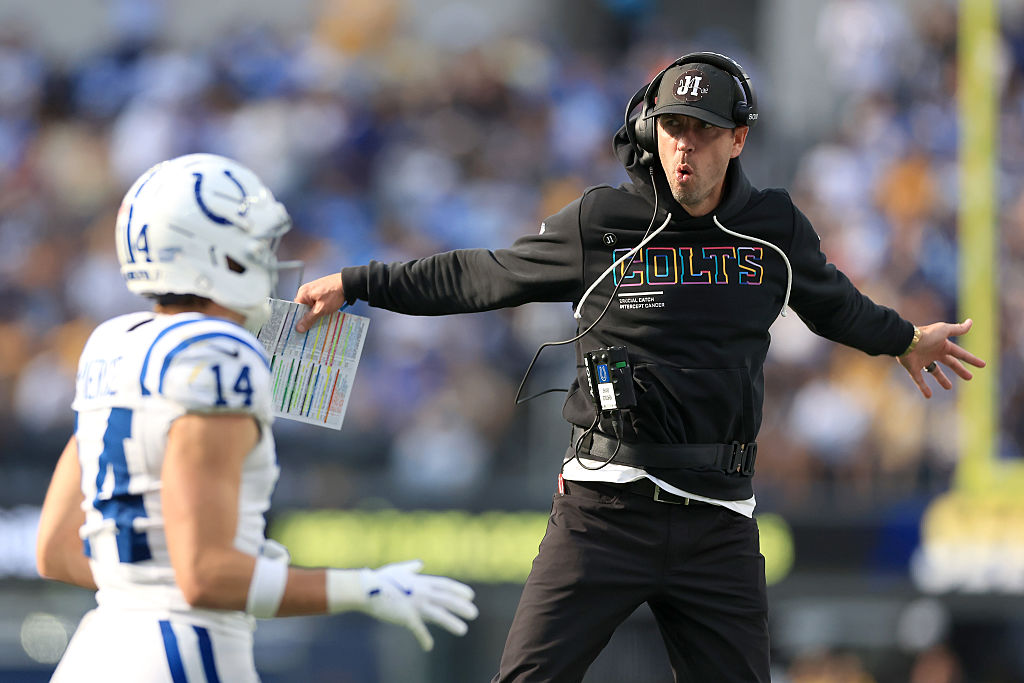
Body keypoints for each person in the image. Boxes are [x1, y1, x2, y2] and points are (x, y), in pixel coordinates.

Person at [292, 52, 985, 682]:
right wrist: (359, 281)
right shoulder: (604, 221)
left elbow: (836, 306)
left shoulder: (772, 228)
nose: (684, 143)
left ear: (738, 138)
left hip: (719, 519)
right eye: (672, 126)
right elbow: (484, 275)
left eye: (703, 129)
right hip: (604, 509)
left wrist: (903, 338)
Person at [35, 153, 478, 682]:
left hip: (97, 650)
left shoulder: (110, 342)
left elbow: (55, 550)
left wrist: (148, 586)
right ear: (215, 252)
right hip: (183, 653)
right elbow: (205, 578)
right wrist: (362, 586)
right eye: (257, 241)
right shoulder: (218, 351)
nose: (270, 257)